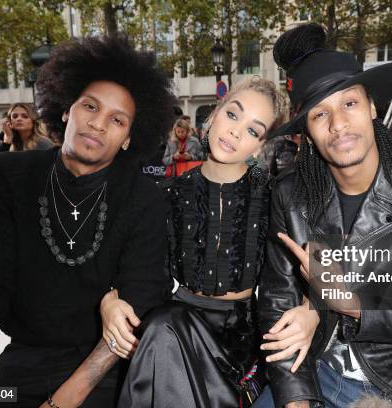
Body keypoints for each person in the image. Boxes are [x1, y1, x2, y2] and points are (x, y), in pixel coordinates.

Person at [0, 36, 175, 408]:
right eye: (90, 106)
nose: (98, 124)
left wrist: (62, 402)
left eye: (117, 120)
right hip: (19, 373)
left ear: (128, 139)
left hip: (108, 373)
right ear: (67, 109)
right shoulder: (5, 176)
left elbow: (139, 301)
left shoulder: (143, 197)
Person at [258, 24, 392, 408]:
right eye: (319, 114)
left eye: (349, 104)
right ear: (305, 132)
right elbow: (277, 304)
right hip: (314, 370)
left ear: (372, 106)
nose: (338, 124)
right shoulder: (289, 195)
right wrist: (295, 399)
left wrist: (350, 303)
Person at [99, 77, 318, 408]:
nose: (234, 132)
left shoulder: (276, 195)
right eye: (232, 115)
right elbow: (127, 265)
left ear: (260, 146)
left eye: (253, 130)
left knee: (163, 330)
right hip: (175, 327)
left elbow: (323, 269)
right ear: (214, 114)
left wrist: (312, 310)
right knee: (163, 328)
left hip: (243, 340)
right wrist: (109, 300)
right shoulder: (165, 194)